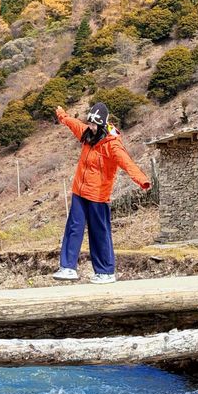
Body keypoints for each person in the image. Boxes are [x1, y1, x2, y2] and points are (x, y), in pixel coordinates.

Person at [53, 102, 150, 283]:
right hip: (79, 192)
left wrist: (141, 180)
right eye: (90, 123)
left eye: (95, 124)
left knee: (99, 232)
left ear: (103, 124)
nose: (91, 127)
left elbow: (127, 163)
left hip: (98, 195)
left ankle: (105, 272)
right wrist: (62, 115)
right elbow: (72, 123)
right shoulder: (87, 133)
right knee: (73, 228)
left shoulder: (112, 145)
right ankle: (68, 268)